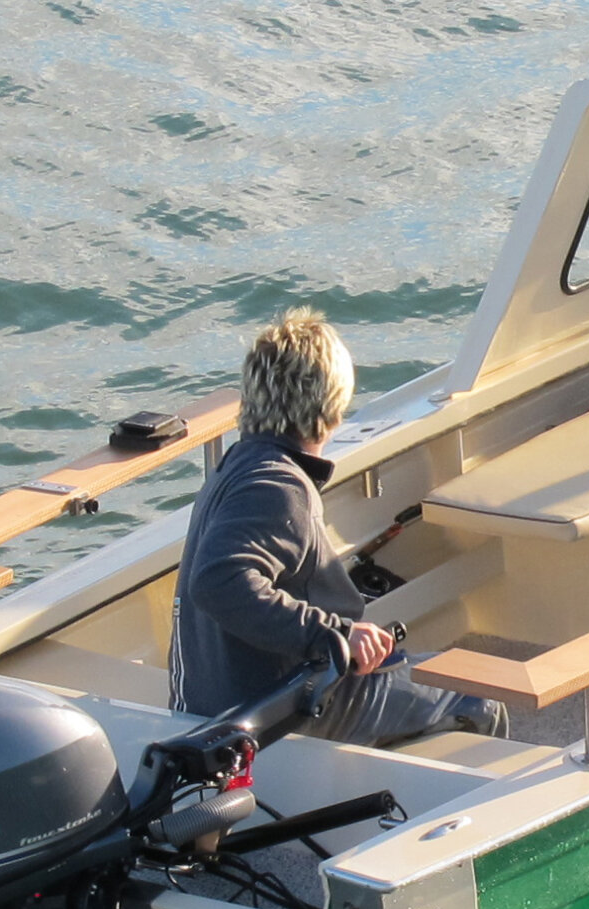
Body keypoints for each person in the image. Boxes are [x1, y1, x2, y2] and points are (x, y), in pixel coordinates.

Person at [169, 308, 507, 747]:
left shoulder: (233, 467)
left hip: (215, 707)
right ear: (332, 406)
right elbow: (218, 581)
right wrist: (335, 634)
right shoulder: (276, 486)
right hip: (281, 711)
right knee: (477, 697)